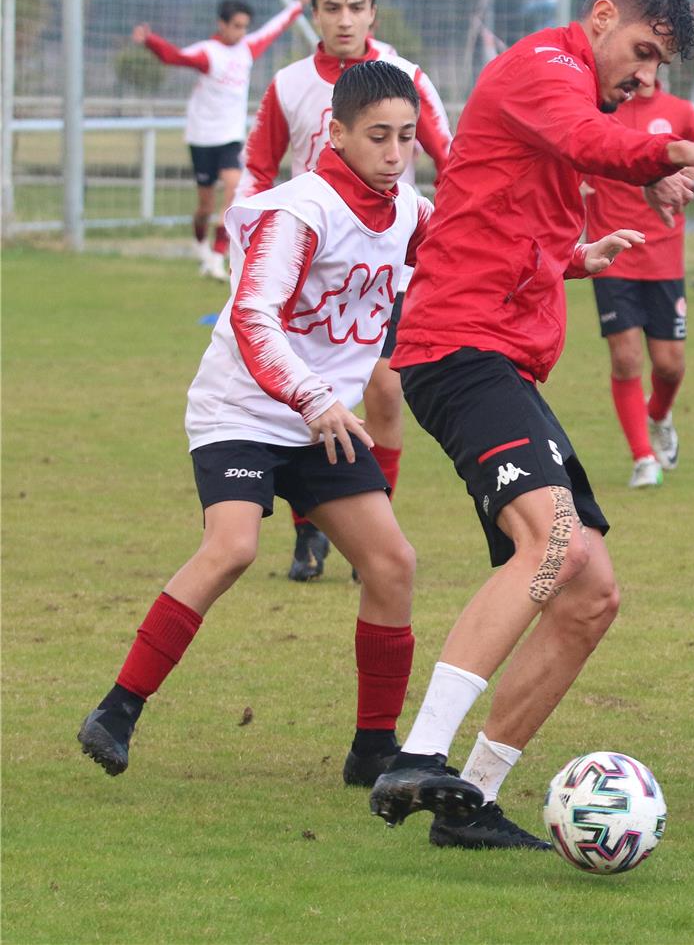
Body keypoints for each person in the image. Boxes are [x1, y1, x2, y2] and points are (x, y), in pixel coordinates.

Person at [366, 0, 694, 850]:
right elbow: (591, 142)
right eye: (642, 52)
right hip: (457, 349)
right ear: (598, 18)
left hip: (501, 357)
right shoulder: (544, 66)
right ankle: (421, 750)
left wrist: (579, 251)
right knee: (549, 540)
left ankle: (468, 800)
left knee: (589, 589)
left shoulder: (569, 92)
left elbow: (529, 196)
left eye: (660, 68)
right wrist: (687, 150)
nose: (646, 78)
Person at [77, 62, 477, 812]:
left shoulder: (409, 211)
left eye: (407, 138)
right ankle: (118, 709)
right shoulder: (301, 210)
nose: (396, 154)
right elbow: (253, 318)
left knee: (392, 563)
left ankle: (372, 748)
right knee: (232, 547)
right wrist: (313, 394)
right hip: (244, 409)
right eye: (379, 137)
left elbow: (473, 260)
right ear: (337, 133)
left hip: (321, 418)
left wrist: (569, 263)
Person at [237, 0, 453, 582]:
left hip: (386, 273)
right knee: (308, 399)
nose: (344, 20)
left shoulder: (406, 76)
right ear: (314, 14)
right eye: (331, 8)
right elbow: (257, 169)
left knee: (385, 391)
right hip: (308, 277)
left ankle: (372, 527)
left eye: (355, 7)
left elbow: (452, 158)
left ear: (372, 13)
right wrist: (247, 246)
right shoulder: (289, 84)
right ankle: (310, 535)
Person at [582, 78, 694, 488]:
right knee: (625, 359)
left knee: (670, 364)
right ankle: (643, 459)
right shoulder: (599, 109)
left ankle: (657, 416)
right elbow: (577, 158)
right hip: (613, 252)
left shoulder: (679, 110)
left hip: (664, 255)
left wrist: (687, 175)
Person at [132, 0, 305, 280]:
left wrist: (300, 3)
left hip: (230, 137)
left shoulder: (247, 49)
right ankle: (199, 243)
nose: (241, 32)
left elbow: (275, 28)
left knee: (233, 191)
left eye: (244, 26)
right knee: (205, 206)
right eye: (236, 25)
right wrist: (150, 40)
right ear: (221, 24)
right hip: (201, 136)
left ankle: (216, 256)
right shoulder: (208, 53)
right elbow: (176, 57)